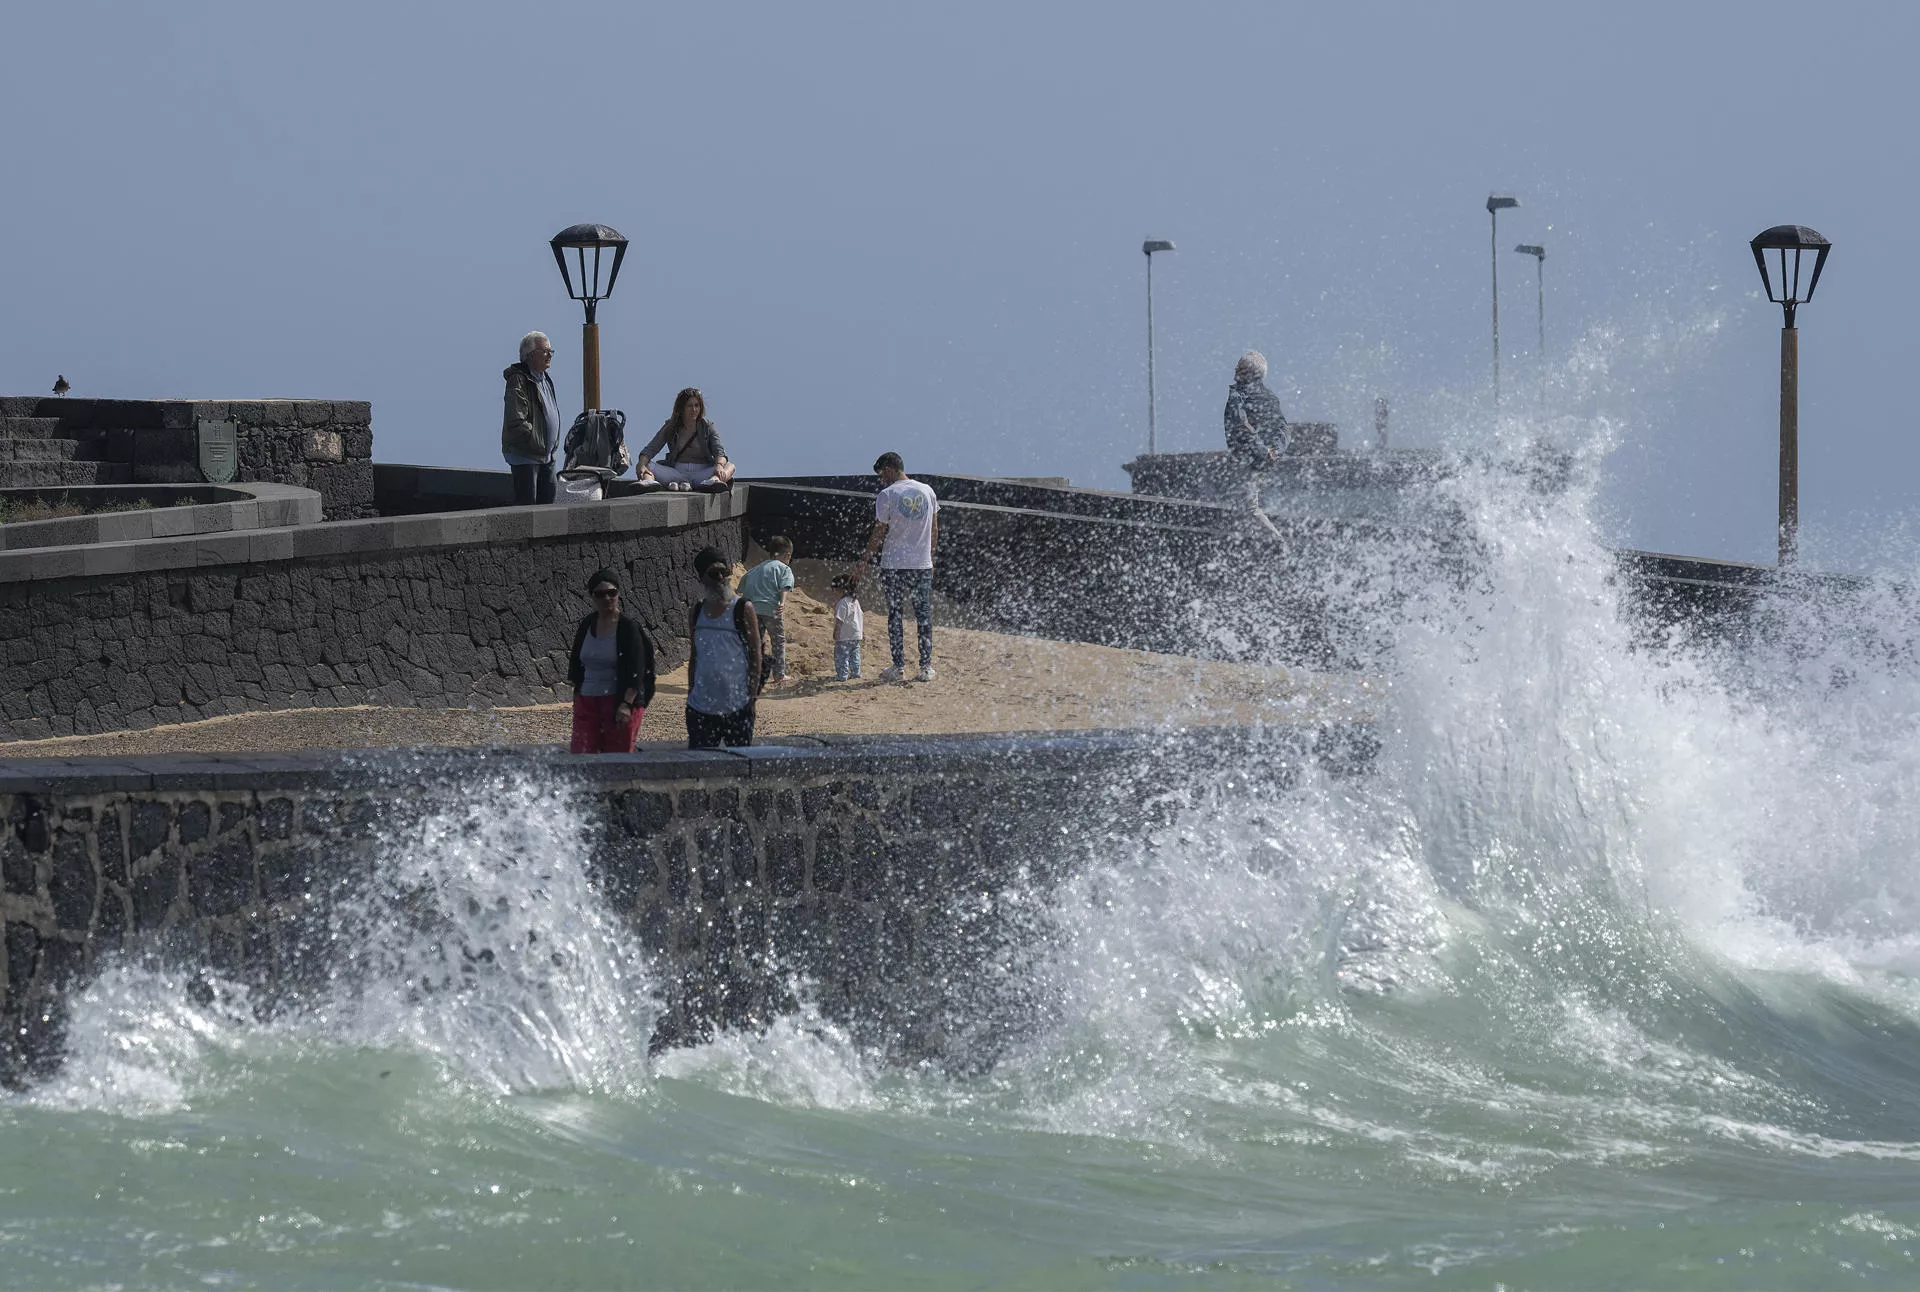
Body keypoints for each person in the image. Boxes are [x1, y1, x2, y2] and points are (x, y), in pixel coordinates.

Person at [854, 452, 938, 683]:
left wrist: (864, 560)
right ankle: (925, 667)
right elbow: (934, 530)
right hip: (921, 565)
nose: (881, 479)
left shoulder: (887, 495)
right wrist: (930, 559)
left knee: (895, 614)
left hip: (893, 564)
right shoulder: (927, 490)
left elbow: (879, 531)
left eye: (881, 473)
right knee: (923, 615)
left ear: (890, 468)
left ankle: (898, 666)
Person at [567, 567, 656, 753]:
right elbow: (576, 661)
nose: (607, 598)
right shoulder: (586, 624)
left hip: (618, 701)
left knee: (617, 759)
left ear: (618, 594)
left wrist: (626, 704)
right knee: (582, 757)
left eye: (611, 593)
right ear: (592, 597)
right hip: (588, 700)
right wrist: (578, 696)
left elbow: (637, 668)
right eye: (600, 594)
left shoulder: (628, 628)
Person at [685, 546, 761, 748]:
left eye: (724, 571)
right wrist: (691, 691)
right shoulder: (696, 611)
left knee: (740, 771)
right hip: (700, 708)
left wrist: (752, 698)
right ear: (702, 577)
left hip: (737, 706)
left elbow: (756, 654)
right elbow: (695, 655)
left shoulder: (743, 608)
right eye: (713, 573)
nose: (720, 577)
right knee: (700, 771)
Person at [1223, 350, 1288, 532]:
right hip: (1262, 463)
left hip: (1246, 461)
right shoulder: (1271, 397)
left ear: (1251, 374)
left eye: (1241, 367)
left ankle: (1279, 544)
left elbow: (1241, 424)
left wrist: (1264, 451)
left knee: (1248, 509)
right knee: (1245, 505)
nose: (1236, 370)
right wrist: (1276, 451)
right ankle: (1254, 544)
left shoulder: (1239, 395)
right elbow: (1284, 429)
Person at [502, 331, 562, 505]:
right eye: (544, 351)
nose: (549, 355)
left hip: (546, 457)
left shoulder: (545, 379)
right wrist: (535, 440)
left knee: (548, 508)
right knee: (527, 510)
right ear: (529, 356)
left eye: (550, 351)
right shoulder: (518, 380)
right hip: (526, 456)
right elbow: (516, 420)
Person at [638, 388, 736, 492]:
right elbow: (651, 448)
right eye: (689, 406)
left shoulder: (707, 426)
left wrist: (719, 466)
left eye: (696, 405)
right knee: (646, 464)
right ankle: (649, 482)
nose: (694, 409)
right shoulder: (671, 426)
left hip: (702, 473)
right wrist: (641, 464)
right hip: (677, 472)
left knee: (730, 466)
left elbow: (719, 452)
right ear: (681, 408)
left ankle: (714, 482)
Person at [738, 536, 795, 688]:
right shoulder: (784, 569)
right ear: (787, 555)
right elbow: (785, 587)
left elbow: (740, 588)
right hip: (772, 610)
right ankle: (779, 675)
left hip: (753, 612)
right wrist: (782, 602)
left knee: (756, 643)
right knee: (778, 642)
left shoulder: (755, 569)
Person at [831, 573, 864, 681]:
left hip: (844, 636)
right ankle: (856, 673)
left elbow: (840, 619)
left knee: (842, 656)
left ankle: (842, 675)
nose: (834, 594)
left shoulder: (842, 603)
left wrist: (836, 631)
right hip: (856, 635)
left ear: (841, 590)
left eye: (835, 591)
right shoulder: (854, 601)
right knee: (855, 655)